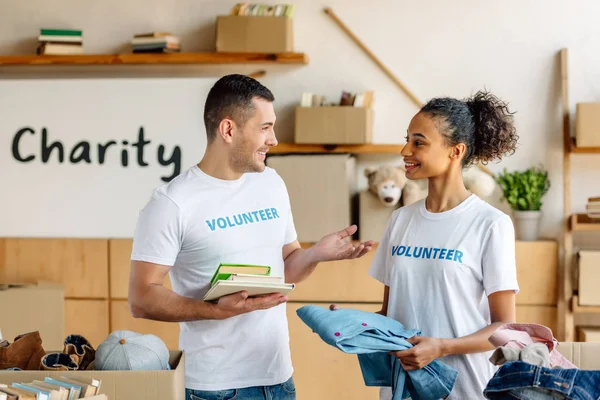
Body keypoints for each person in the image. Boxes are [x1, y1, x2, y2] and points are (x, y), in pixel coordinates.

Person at [127, 74, 375, 400]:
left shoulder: (271, 184)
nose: (273, 139)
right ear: (228, 130)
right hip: (214, 388)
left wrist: (314, 254)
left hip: (278, 378)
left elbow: (284, 270)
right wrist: (213, 310)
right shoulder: (171, 202)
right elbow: (141, 298)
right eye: (265, 127)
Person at [364, 90, 520, 399]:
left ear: (456, 151)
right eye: (407, 139)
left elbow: (505, 328)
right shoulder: (400, 220)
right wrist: (353, 324)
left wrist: (441, 347)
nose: (405, 150)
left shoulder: (490, 224)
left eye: (418, 142)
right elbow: (390, 312)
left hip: (466, 387)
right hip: (402, 387)